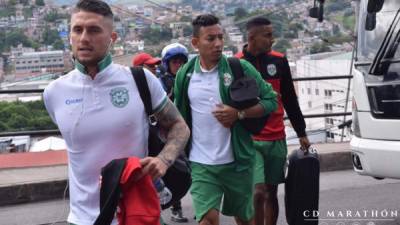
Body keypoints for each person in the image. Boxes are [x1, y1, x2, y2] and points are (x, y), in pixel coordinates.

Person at [42, 1, 190, 225]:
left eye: (94, 30)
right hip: (82, 218)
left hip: (138, 213)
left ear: (112, 38)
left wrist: (163, 160)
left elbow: (180, 126)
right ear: (69, 36)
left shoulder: (140, 80)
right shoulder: (54, 93)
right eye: (77, 29)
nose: (84, 38)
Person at [174, 14, 278, 225]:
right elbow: (178, 116)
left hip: (237, 163)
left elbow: (271, 101)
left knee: (245, 220)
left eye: (220, 37)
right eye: (210, 39)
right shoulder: (185, 75)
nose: (218, 44)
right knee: (208, 220)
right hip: (201, 164)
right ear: (196, 43)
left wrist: (239, 114)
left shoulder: (239, 68)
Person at [235, 17, 311, 225]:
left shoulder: (279, 60)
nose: (272, 39)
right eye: (267, 35)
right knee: (257, 192)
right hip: (250, 140)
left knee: (270, 193)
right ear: (252, 37)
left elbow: (289, 99)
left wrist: (302, 132)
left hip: (277, 137)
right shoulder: (236, 63)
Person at [159, 42, 189, 223]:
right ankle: (175, 208)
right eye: (175, 62)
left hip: (188, 129)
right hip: (167, 134)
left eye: (181, 62)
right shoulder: (160, 82)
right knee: (172, 170)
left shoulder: (190, 79)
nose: (178, 65)